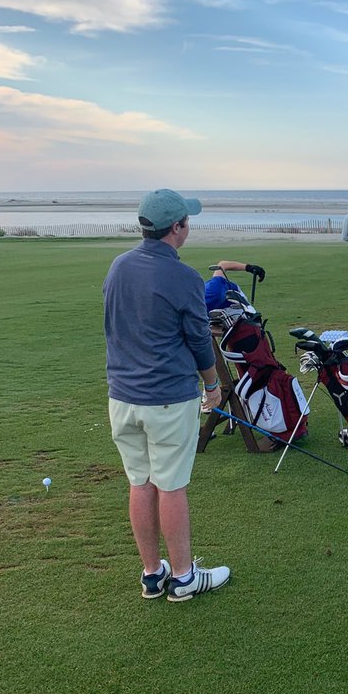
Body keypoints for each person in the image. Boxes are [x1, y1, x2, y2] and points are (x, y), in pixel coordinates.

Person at [103, 189, 231, 601]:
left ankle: (151, 573)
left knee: (141, 483)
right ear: (176, 228)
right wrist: (213, 385)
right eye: (186, 222)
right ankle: (182, 577)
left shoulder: (119, 266)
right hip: (167, 398)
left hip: (122, 398)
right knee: (170, 485)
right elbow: (199, 341)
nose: (188, 227)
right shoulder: (184, 277)